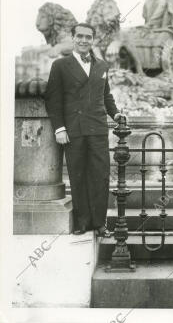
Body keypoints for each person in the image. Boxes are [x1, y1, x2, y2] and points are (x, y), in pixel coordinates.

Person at [45, 22, 125, 236]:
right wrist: (59, 128)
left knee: (100, 175)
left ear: (93, 40)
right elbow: (53, 100)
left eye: (88, 37)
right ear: (73, 38)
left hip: (98, 129)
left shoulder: (101, 66)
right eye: (79, 36)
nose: (83, 40)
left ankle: (99, 223)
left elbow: (105, 96)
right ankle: (82, 222)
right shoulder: (60, 65)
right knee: (78, 175)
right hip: (74, 130)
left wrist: (115, 113)